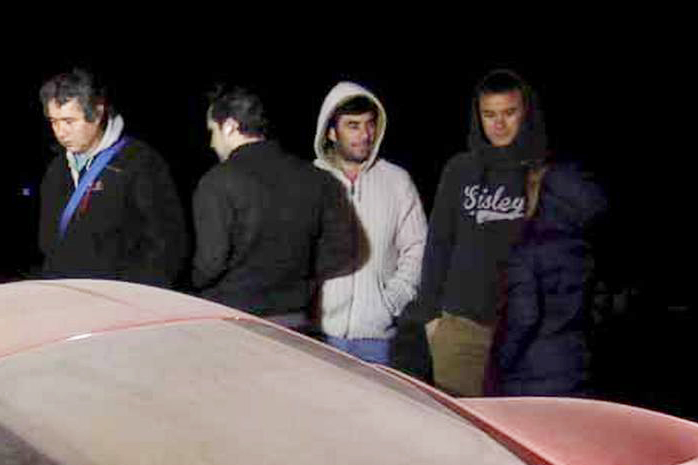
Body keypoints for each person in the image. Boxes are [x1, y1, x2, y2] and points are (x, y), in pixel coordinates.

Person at [413, 69, 551, 397]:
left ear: (526, 113)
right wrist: (432, 318)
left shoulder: (542, 174)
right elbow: (438, 245)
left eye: (509, 113)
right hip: (461, 330)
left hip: (525, 337)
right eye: (489, 114)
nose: (498, 124)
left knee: (514, 435)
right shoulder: (460, 169)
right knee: (461, 433)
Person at [190, 84, 354, 329]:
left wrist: (193, 281)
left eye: (212, 131)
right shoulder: (316, 178)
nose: (212, 143)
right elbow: (342, 250)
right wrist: (303, 276)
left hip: (232, 322)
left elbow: (210, 263)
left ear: (230, 126)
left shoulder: (217, 181)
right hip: (294, 322)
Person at [36, 69, 186, 287]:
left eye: (69, 121)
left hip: (119, 299)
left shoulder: (139, 163)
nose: (60, 132)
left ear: (97, 114)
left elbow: (166, 244)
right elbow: (48, 242)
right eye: (53, 121)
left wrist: (136, 295)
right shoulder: (56, 168)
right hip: (67, 296)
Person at [311, 83, 427, 363]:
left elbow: (418, 248)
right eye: (353, 125)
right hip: (317, 336)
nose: (365, 135)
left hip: (378, 341)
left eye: (370, 124)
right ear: (330, 131)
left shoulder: (397, 181)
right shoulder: (309, 181)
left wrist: (391, 302)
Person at [490, 163, 607, 395]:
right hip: (577, 369)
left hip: (529, 376)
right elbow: (597, 309)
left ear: (547, 197)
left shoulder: (527, 249)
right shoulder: (584, 251)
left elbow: (524, 317)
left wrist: (500, 363)